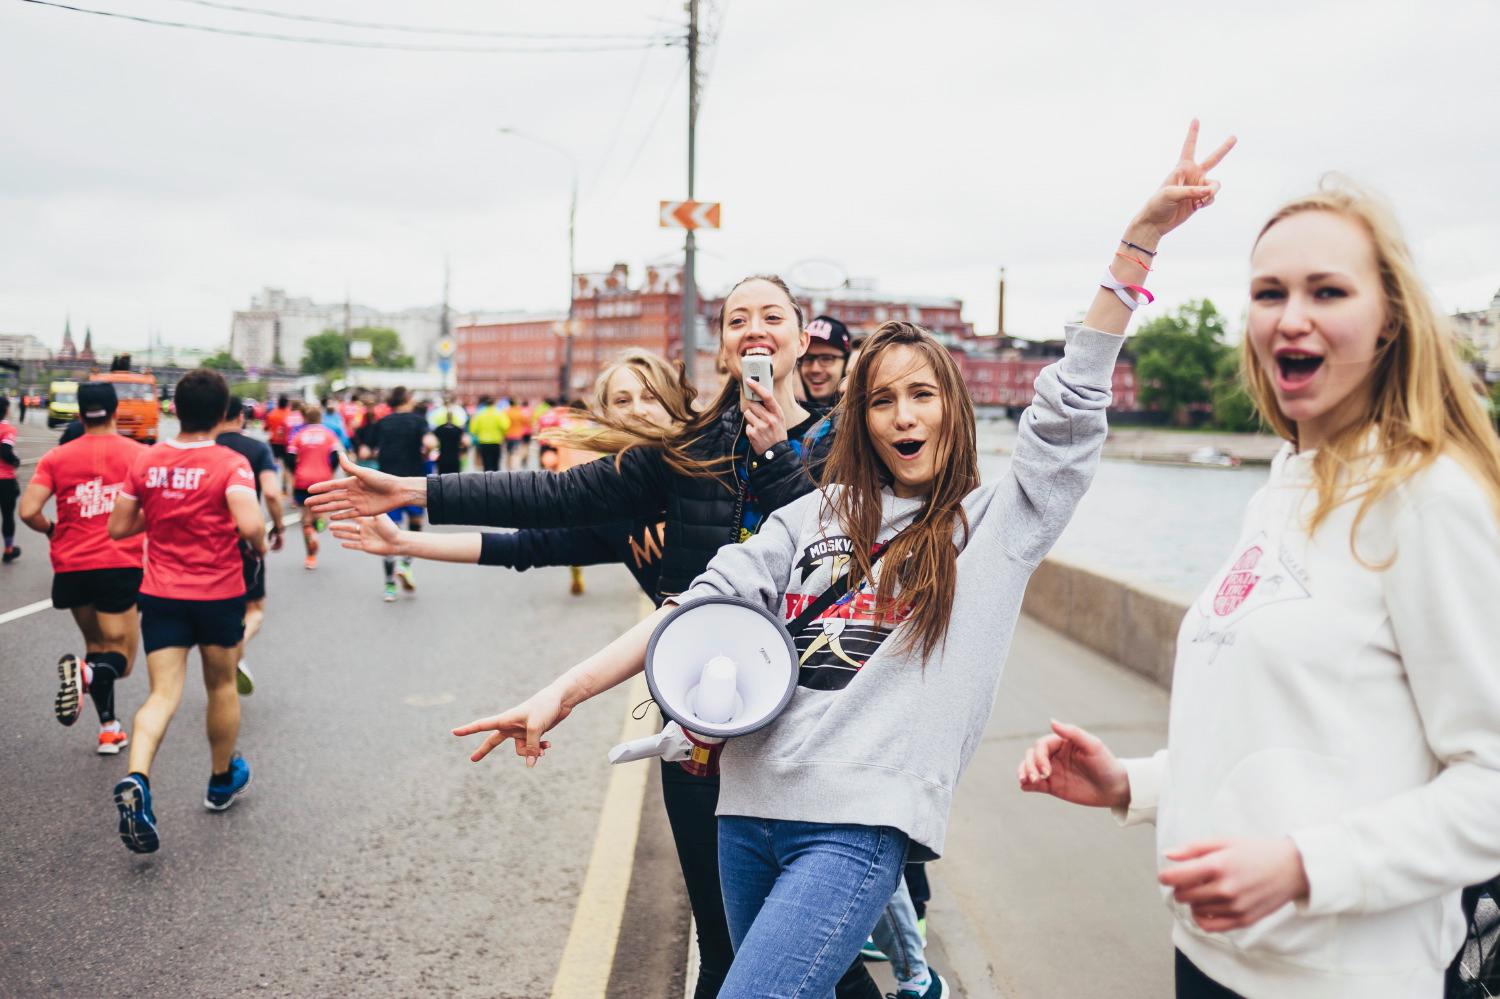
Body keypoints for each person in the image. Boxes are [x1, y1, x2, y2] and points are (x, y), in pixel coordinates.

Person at [444, 127, 1223, 998]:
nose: (902, 413)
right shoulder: (809, 514)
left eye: (922, 393)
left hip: (854, 828)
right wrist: (562, 694)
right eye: (881, 397)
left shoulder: (996, 525)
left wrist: (1138, 242)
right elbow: (695, 612)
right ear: (860, 417)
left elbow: (1070, 401)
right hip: (746, 810)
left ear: (953, 410)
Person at [1015, 164, 1500, 999]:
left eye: (1327, 291)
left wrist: (1304, 868)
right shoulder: (1285, 482)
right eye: (1269, 292)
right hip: (1213, 962)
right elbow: (1292, 740)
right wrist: (1134, 783)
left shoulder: (1428, 498)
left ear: (1388, 323)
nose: (1291, 316)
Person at [308, 274, 865, 998]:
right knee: (725, 945)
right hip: (702, 728)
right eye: (736, 319)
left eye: (771, 316)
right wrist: (415, 493)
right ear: (721, 345)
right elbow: (554, 501)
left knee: (830, 956)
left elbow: (848, 561)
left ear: (798, 333)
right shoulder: (687, 449)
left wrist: (776, 456)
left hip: (812, 727)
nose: (754, 329)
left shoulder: (845, 443)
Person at [330, 348, 690, 602]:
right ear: (607, 415)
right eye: (623, 401)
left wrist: (408, 490)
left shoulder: (713, 463)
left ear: (674, 401)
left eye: (651, 396)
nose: (639, 410)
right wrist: (404, 543)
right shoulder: (614, 499)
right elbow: (522, 545)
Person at [106, 368, 266, 854]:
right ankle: (220, 782)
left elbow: (119, 527)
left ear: (174, 408)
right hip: (217, 593)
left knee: (161, 695)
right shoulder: (231, 463)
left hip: (161, 593)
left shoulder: (147, 461)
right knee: (219, 685)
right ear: (222, 414)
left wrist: (161, 520)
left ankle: (138, 777)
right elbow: (250, 522)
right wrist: (257, 543)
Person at [18, 382, 144, 753]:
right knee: (121, 660)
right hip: (118, 562)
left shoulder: (57, 458)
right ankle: (88, 679)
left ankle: (109, 728)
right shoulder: (138, 453)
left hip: (71, 564)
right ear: (115, 410)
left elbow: (28, 510)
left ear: (79, 413)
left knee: (96, 648)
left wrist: (52, 530)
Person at [216, 394, 285, 695]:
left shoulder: (205, 448)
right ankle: (236, 651)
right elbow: (270, 492)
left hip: (203, 542)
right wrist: (278, 527)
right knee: (254, 607)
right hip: (242, 538)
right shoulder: (257, 449)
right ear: (241, 417)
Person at [369, 386, 430, 602]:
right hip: (412, 482)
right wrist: (429, 452)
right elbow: (430, 443)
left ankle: (389, 586)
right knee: (415, 525)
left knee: (388, 534)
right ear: (406, 399)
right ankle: (405, 563)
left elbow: (367, 450)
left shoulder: (383, 422)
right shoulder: (418, 421)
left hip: (387, 484)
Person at [286, 408, 340, 570]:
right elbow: (336, 456)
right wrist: (330, 471)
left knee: (305, 517)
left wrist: (295, 472)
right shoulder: (329, 435)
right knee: (320, 513)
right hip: (322, 479)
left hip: (302, 479)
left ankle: (310, 556)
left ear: (305, 418)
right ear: (320, 417)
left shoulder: (299, 435)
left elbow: (289, 457)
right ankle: (318, 528)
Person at [800, 315, 852, 410]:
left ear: (846, 363)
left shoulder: (863, 418)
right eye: (807, 358)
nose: (815, 369)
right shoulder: (782, 414)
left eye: (827, 359)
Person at [468, 396, 510, 472]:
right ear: (493, 403)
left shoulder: (480, 414)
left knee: (486, 463)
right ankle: (496, 481)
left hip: (483, 442)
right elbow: (505, 426)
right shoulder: (499, 413)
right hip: (496, 441)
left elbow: (473, 429)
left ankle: (487, 481)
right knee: (496, 464)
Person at [0, 396, 19, 563]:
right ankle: (8, 550)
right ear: (6, 410)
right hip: (4, 480)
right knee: (7, 516)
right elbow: (6, 452)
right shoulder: (7, 429)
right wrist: (16, 461)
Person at [265, 395, 294, 492]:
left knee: (273, 464)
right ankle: (284, 488)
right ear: (287, 403)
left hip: (274, 442)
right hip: (286, 443)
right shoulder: (290, 414)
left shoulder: (272, 414)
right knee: (286, 467)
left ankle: (272, 486)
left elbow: (266, 428)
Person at [431, 409, 467, 475]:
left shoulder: (439, 429)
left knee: (442, 477)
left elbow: (433, 442)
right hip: (455, 458)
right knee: (455, 477)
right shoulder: (458, 429)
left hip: (443, 457)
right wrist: (463, 451)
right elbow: (465, 442)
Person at [503, 397, 531, 470]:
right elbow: (525, 421)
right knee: (515, 451)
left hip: (508, 434)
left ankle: (508, 466)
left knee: (508, 451)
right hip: (517, 434)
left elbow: (503, 423)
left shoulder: (506, 412)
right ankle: (514, 467)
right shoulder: (519, 412)